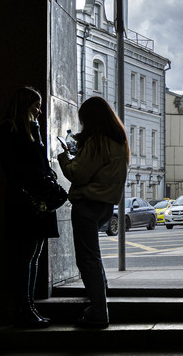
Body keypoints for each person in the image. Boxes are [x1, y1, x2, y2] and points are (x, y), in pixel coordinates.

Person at [58, 96, 128, 328]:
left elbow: (78, 174)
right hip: (106, 206)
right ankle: (100, 301)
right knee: (93, 257)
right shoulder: (118, 140)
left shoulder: (97, 142)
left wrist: (64, 157)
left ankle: (99, 310)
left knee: (87, 259)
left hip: (87, 205)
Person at [0, 86, 58, 327]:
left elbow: (39, 162)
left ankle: (28, 307)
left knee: (33, 256)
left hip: (35, 202)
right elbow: (12, 167)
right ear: (24, 105)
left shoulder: (32, 129)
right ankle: (24, 308)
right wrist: (41, 176)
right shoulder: (10, 129)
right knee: (26, 257)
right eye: (36, 106)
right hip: (24, 202)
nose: (40, 111)